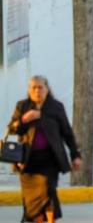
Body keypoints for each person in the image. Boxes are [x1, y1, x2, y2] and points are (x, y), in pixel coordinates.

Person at [6, 76, 82, 223]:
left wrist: (75, 155)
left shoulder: (56, 107)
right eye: (33, 87)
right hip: (28, 162)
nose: (37, 91)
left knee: (48, 191)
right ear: (29, 90)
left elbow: (67, 132)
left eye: (40, 87)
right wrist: (23, 120)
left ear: (47, 89)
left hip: (50, 160)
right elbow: (12, 129)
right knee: (32, 201)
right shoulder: (22, 106)